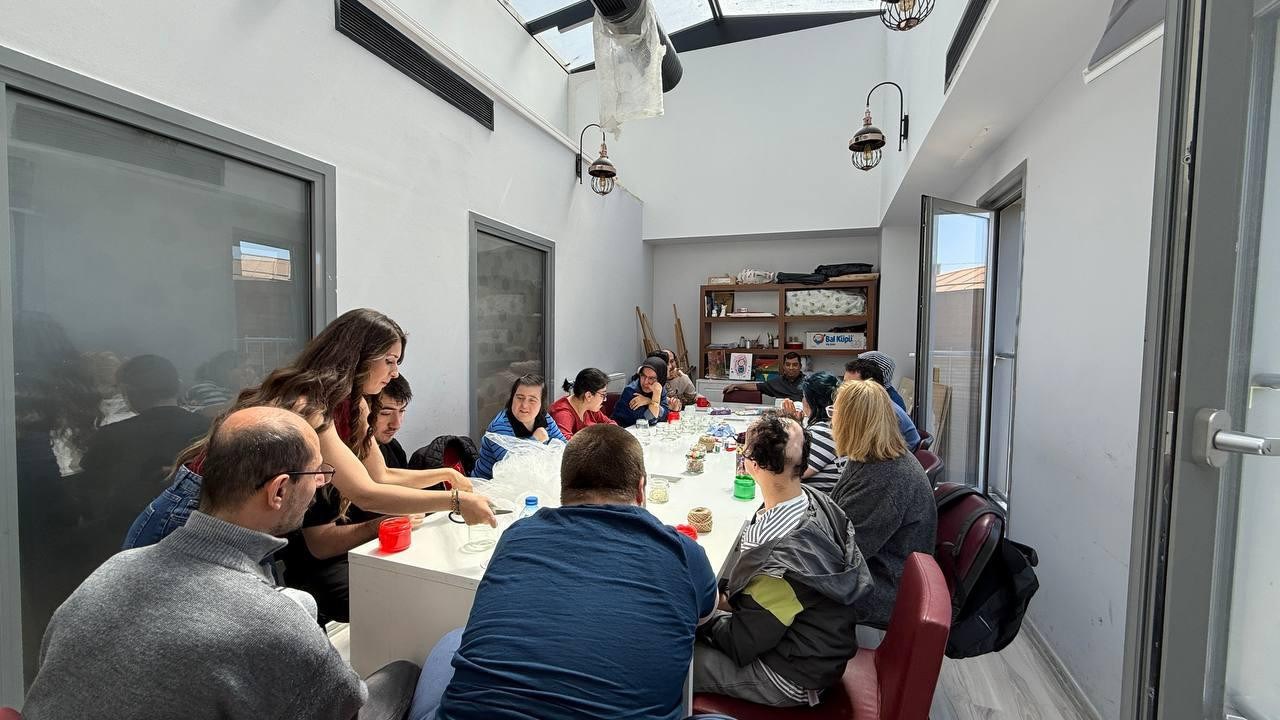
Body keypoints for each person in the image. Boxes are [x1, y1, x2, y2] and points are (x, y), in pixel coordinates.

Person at [22, 407, 367, 719]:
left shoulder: (111, 570)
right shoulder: (273, 620)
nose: (322, 481)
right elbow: (346, 706)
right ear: (278, 491)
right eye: (316, 472)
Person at [409, 423, 717, 720]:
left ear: (563, 489)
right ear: (641, 488)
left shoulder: (517, 535)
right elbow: (704, 616)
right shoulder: (683, 552)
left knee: (454, 639)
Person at [125, 309, 494, 551]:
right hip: (193, 511)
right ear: (358, 356)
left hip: (245, 523)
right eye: (389, 361)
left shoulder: (356, 404)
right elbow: (365, 493)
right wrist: (455, 501)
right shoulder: (308, 403)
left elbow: (379, 475)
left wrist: (445, 475)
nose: (394, 372)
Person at [694, 415, 869, 707]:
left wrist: (703, 616)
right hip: (810, 642)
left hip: (792, 676)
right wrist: (724, 599)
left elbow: (741, 641)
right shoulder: (814, 500)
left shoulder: (779, 565)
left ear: (752, 464)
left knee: (675, 657)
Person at [282, 374, 420, 623]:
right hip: (324, 566)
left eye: (402, 412)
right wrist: (383, 524)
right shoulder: (324, 467)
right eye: (385, 413)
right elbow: (321, 545)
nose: (396, 423)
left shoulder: (391, 448)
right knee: (398, 598)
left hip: (371, 552)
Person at [829, 380, 937, 628]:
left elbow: (842, 555)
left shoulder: (885, 479)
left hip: (881, 587)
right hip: (876, 569)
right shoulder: (873, 458)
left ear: (850, 422)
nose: (831, 421)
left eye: (835, 413)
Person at [81, 355, 211, 547]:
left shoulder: (110, 435)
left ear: (128, 393)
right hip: (200, 535)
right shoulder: (211, 429)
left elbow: (91, 490)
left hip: (127, 540)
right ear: (178, 385)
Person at [472, 374, 567, 480]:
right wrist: (535, 440)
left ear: (541, 403)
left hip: (530, 480)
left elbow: (565, 448)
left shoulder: (545, 418)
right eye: (520, 398)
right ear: (512, 398)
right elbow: (512, 469)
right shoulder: (499, 427)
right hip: (489, 483)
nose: (524, 405)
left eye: (532, 400)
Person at [843, 358, 921, 451]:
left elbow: (870, 448)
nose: (843, 390)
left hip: (897, 455)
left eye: (851, 386)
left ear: (870, 386)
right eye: (844, 383)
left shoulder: (885, 411)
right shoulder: (874, 403)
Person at [792, 371, 844, 494]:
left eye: (804, 396)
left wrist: (789, 426)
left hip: (820, 502)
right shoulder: (834, 425)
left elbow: (791, 473)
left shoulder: (823, 432)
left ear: (811, 402)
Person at [549, 367, 617, 440]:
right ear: (588, 396)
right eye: (603, 395)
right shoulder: (563, 413)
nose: (604, 399)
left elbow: (611, 425)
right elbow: (565, 442)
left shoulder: (590, 407)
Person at [611, 355, 672, 428]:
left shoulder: (658, 388)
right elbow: (649, 420)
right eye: (643, 376)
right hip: (622, 431)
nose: (645, 382)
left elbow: (665, 414)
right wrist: (656, 396)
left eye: (651, 378)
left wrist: (649, 401)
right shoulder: (631, 391)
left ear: (660, 379)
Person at [726, 351, 805, 402]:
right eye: (788, 364)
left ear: (800, 366)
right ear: (784, 366)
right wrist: (736, 385)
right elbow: (757, 386)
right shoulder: (777, 382)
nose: (791, 368)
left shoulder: (808, 382)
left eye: (795, 365)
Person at [376, 375, 413, 470]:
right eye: (385, 413)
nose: (396, 425)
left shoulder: (394, 449)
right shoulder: (343, 455)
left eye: (402, 411)